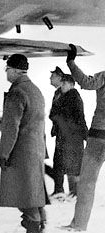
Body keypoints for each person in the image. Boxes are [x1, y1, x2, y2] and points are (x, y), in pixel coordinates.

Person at [0, 54, 48, 233]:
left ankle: (34, 230)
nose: (6, 73)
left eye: (7, 69)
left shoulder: (17, 92)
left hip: (21, 151)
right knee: (34, 191)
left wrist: (4, 153)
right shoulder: (35, 90)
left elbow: (11, 127)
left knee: (24, 193)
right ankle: (40, 225)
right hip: (36, 148)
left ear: (15, 70)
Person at [62, 43, 105, 231]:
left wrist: (71, 62)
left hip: (98, 135)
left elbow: (86, 83)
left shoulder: (104, 76)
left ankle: (79, 224)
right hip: (97, 134)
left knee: (87, 182)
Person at [49, 74, 87, 198]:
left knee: (73, 164)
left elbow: (79, 117)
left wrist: (84, 134)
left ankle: (75, 191)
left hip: (72, 137)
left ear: (71, 84)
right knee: (59, 163)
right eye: (62, 83)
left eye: (64, 84)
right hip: (64, 136)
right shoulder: (63, 96)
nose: (62, 86)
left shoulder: (74, 97)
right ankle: (60, 190)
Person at [48, 66, 66, 195]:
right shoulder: (58, 92)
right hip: (60, 131)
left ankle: (60, 189)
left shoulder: (64, 93)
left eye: (52, 76)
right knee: (58, 161)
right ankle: (58, 188)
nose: (50, 78)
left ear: (59, 78)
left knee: (60, 161)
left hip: (64, 133)